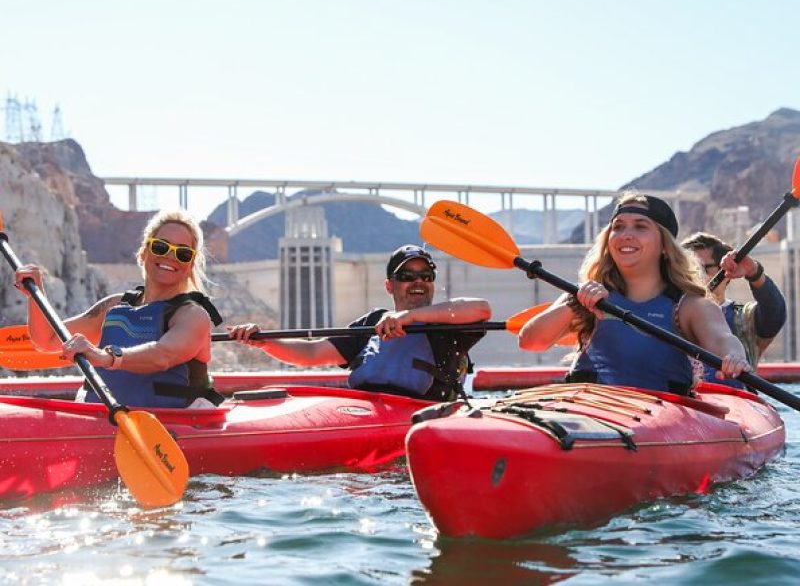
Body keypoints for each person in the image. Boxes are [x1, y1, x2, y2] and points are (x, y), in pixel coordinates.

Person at [518, 192, 750, 394]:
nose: (626, 234)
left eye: (641, 226)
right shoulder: (587, 294)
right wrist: (576, 305)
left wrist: (734, 358)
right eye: (618, 227)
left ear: (664, 246)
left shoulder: (689, 305)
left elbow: (723, 340)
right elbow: (530, 341)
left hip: (658, 418)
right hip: (588, 409)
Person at [14, 209, 224, 408]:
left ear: (190, 265)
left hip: (166, 430)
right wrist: (35, 294)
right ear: (143, 252)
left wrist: (105, 357)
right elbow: (47, 339)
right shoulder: (114, 306)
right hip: (101, 421)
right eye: (161, 247)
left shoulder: (192, 315)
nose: (170, 256)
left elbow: (163, 356)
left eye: (183, 253)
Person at [227, 244, 492, 401]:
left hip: (421, 415)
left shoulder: (447, 323)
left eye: (425, 275)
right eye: (407, 275)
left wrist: (409, 317)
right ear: (390, 286)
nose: (418, 281)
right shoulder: (373, 322)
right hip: (365, 411)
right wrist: (265, 342)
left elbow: (482, 309)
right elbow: (312, 353)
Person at [681, 232, 786, 386]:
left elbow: (774, 314)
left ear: (726, 273)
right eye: (687, 269)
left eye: (703, 268)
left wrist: (754, 272)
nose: (694, 276)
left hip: (733, 404)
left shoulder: (742, 316)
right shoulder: (667, 311)